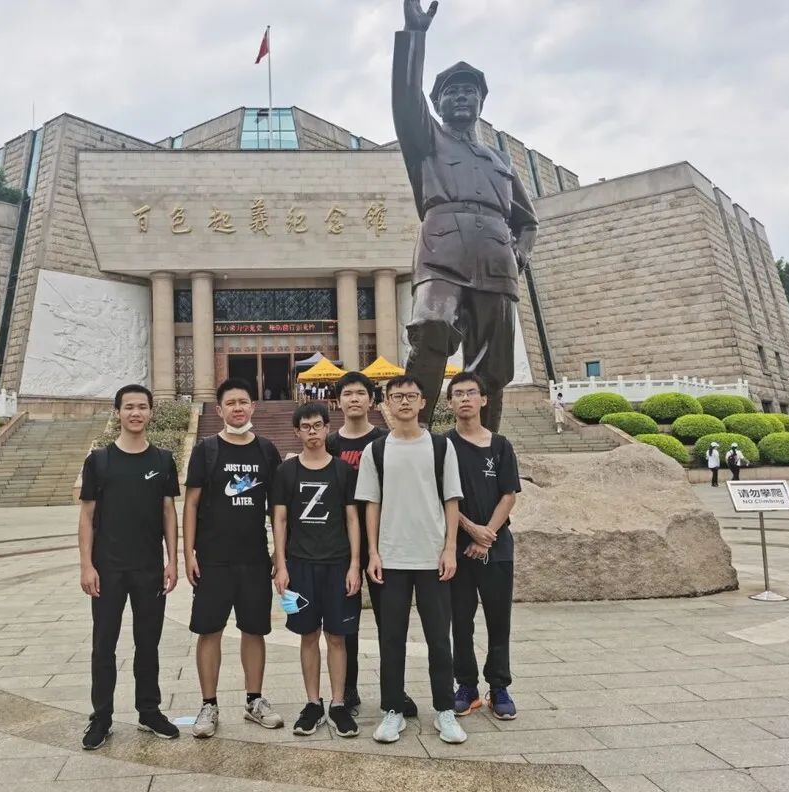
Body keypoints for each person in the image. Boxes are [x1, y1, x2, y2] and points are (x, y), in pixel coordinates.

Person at [393, 0, 538, 430]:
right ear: (437, 103)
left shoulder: (501, 161)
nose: (461, 96)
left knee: (492, 360)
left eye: (469, 91)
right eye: (451, 92)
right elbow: (405, 97)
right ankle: (412, 434)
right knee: (431, 325)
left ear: (480, 103)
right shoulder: (427, 142)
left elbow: (527, 221)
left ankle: (482, 443)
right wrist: (415, 35)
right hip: (443, 253)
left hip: (496, 262)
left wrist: (518, 253)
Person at [355, 375, 467, 745]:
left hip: (432, 557)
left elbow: (451, 500)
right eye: (397, 396)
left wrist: (450, 548)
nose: (404, 401)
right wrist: (373, 552)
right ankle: (393, 710)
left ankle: (445, 710)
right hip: (391, 558)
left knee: (439, 639)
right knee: (391, 639)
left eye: (411, 396)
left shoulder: (440, 446)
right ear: (386, 403)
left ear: (422, 402)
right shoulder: (376, 450)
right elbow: (371, 504)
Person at [78, 384, 181, 750]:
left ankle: (149, 711)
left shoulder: (163, 460)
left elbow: (168, 512)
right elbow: (87, 516)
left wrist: (172, 560)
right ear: (118, 412)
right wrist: (86, 565)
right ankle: (101, 717)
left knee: (148, 644)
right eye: (129, 407)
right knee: (103, 644)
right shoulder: (99, 461)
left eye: (142, 407)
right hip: (108, 570)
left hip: (149, 568)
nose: (136, 413)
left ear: (151, 412)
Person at [183, 378, 284, 738]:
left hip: (254, 558)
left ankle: (254, 700)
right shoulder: (206, 450)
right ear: (220, 409)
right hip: (213, 559)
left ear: (253, 406)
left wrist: (280, 553)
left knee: (254, 630)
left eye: (243, 401)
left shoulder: (266, 450)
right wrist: (188, 553)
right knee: (209, 630)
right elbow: (191, 504)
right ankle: (208, 705)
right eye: (231, 403)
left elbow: (277, 508)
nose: (238, 408)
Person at [325, 371, 418, 718]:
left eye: (360, 393)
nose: (354, 399)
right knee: (345, 621)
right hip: (341, 545)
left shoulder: (385, 440)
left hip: (384, 542)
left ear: (372, 400)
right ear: (338, 401)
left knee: (390, 622)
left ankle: (394, 690)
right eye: (347, 393)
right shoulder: (331, 444)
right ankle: (348, 688)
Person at [271, 402, 361, 738]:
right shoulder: (286, 471)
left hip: (338, 564)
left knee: (337, 637)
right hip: (299, 567)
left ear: (327, 428)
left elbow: (352, 519)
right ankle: (313, 703)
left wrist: (355, 564)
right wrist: (281, 566)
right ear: (297, 431)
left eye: (318, 425)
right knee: (307, 635)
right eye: (306, 426)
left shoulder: (342, 470)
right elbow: (279, 520)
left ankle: (338, 703)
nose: (312, 432)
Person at [445, 372, 520, 721]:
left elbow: (509, 494)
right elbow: (441, 496)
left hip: (497, 546)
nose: (465, 399)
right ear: (450, 402)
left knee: (498, 619)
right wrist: (471, 530)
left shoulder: (500, 446)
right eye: (458, 393)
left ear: (483, 400)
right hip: (457, 549)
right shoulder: (443, 446)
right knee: (460, 621)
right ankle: (467, 686)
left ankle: (499, 686)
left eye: (471, 392)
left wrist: (487, 533)